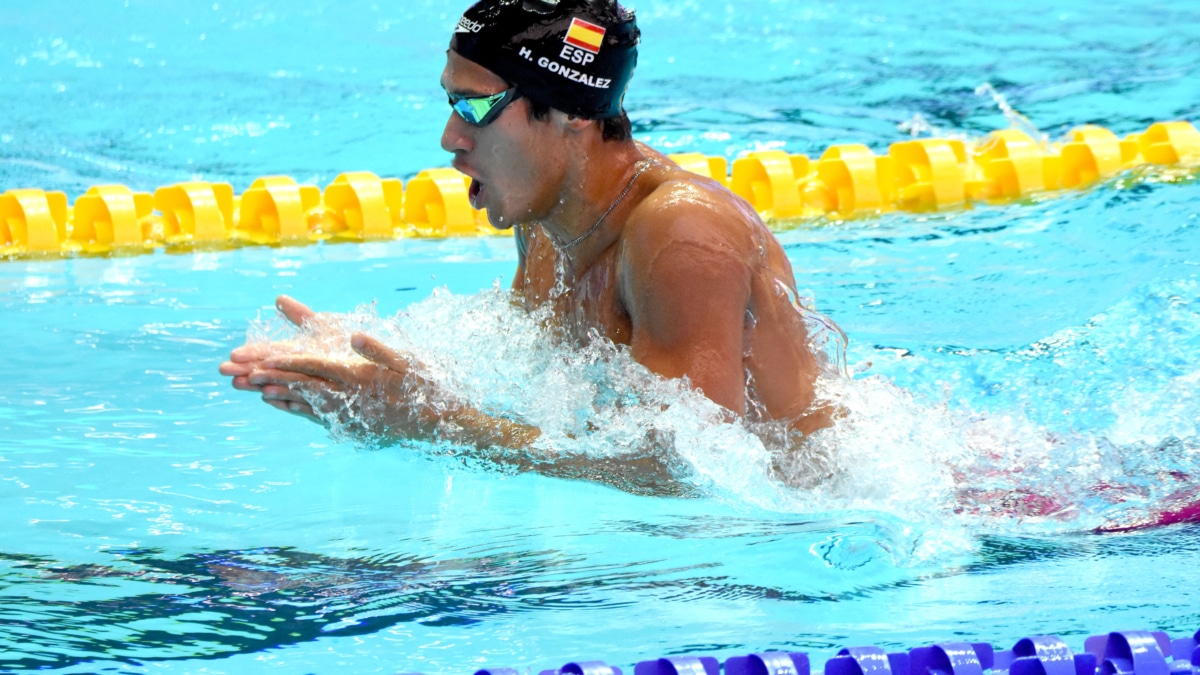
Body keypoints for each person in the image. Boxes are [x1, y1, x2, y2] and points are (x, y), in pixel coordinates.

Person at [219, 0, 840, 488]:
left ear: (570, 110)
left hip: (818, 532)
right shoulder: (546, 217)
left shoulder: (680, 233)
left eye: (476, 106)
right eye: (450, 102)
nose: (449, 138)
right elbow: (533, 382)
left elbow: (699, 472)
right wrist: (374, 377)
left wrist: (435, 426)